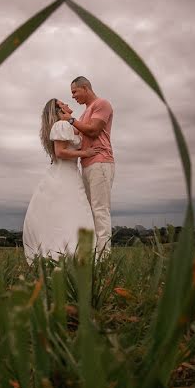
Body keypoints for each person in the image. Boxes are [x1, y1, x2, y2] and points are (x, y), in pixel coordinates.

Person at [22, 99, 99, 261]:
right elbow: (60, 152)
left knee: (66, 213)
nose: (67, 104)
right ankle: (67, 253)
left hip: (67, 172)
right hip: (65, 173)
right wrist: (86, 154)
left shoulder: (67, 126)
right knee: (72, 211)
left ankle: (66, 252)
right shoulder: (61, 126)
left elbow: (82, 133)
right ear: (58, 111)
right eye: (63, 103)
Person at [68, 76, 115, 256]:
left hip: (101, 161)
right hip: (86, 164)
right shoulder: (83, 113)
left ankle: (104, 256)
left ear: (85, 88)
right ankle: (93, 253)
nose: (73, 96)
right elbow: (76, 136)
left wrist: (71, 120)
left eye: (74, 91)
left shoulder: (102, 104)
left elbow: (94, 131)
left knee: (100, 209)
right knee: (90, 211)